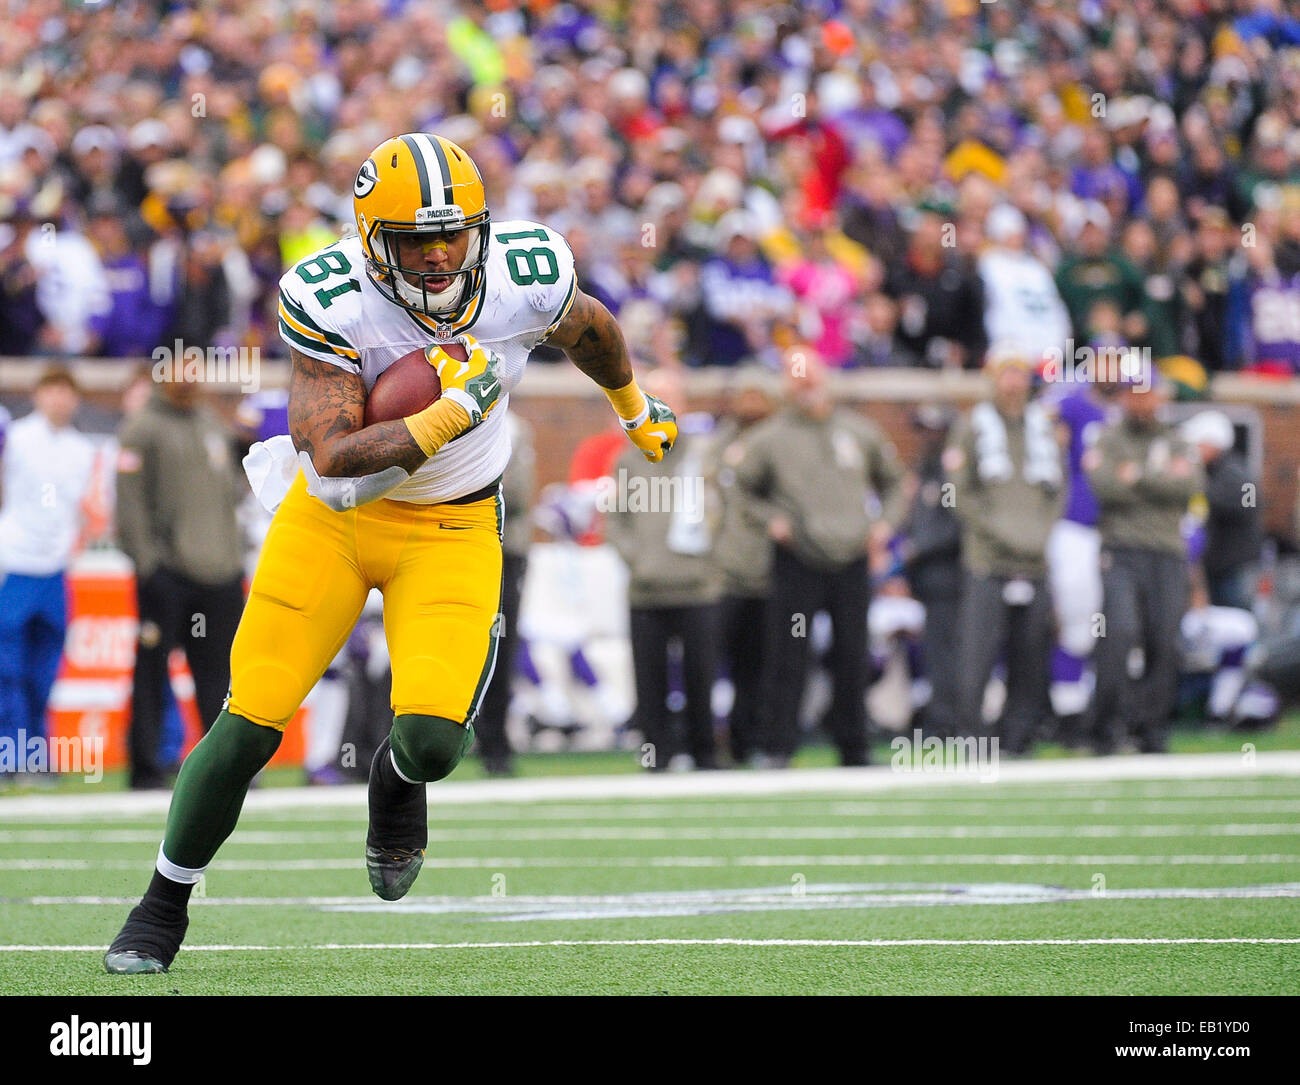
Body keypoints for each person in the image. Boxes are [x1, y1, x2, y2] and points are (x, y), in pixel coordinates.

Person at [105, 132, 679, 974]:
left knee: (435, 740)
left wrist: (633, 406)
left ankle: (395, 779)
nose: (443, 255)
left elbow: (590, 326)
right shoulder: (329, 295)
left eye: (455, 234)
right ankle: (162, 903)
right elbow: (333, 452)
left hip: (451, 524)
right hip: (333, 520)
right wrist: (444, 415)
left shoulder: (526, 269)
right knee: (248, 724)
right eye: (419, 239)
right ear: (374, 241)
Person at [735, 346, 904, 766]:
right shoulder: (769, 438)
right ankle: (779, 745)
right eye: (797, 377)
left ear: (825, 377)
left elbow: (898, 482)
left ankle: (854, 745)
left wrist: (883, 527)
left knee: (853, 653)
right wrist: (770, 519)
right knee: (789, 653)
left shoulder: (857, 431)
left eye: (810, 375)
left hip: (851, 556)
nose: (805, 384)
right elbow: (739, 488)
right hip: (799, 558)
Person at [115, 366, 246, 791]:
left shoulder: (211, 421)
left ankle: (222, 770)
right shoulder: (142, 429)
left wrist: (234, 554)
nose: (187, 376)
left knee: (223, 678)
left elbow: (230, 493)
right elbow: (128, 505)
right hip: (168, 574)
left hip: (220, 573)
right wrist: (148, 565)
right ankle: (147, 768)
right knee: (152, 673)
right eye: (177, 367)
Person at [945, 345, 1064, 754]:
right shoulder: (971, 426)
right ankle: (970, 735)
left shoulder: (1043, 425)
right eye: (1005, 373)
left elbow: (1060, 487)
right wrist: (996, 530)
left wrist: (1041, 531)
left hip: (1034, 557)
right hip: (988, 557)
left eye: (1019, 373)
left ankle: (1018, 736)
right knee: (978, 651)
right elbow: (957, 492)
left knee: (1030, 653)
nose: (1013, 382)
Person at [606, 367, 720, 771]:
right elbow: (615, 520)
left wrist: (712, 561)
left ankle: (706, 753)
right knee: (649, 679)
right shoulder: (627, 457)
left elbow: (726, 512)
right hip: (647, 587)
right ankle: (657, 755)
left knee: (701, 677)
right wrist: (638, 560)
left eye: (673, 397)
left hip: (699, 585)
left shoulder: (706, 454)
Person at [1086, 371, 1202, 754]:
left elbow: (1187, 488)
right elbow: (1105, 486)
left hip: (1168, 551)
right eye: (1133, 394)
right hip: (1120, 550)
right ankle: (1105, 727)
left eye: (1147, 393)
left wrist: (1138, 477)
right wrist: (1157, 479)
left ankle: (1151, 729)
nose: (1140, 401)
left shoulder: (1177, 440)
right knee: (1118, 633)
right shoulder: (1108, 437)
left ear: (1161, 396)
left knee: (1164, 639)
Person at [0, 366, 95, 773]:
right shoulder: (16, 439)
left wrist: (78, 544)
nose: (59, 399)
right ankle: (9, 755)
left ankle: (36, 756)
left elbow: (86, 508)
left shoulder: (82, 448)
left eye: (66, 391)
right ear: (38, 395)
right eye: (52, 390)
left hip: (54, 568)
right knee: (8, 669)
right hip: (15, 561)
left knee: (43, 672)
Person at [713, 368, 777, 763]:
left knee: (760, 665)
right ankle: (702, 741)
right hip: (720, 569)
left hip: (771, 568)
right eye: (744, 396)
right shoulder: (715, 445)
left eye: (758, 396)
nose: (750, 404)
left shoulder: (782, 445)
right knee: (709, 660)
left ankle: (750, 740)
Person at [475, 411, 536, 777]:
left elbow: (518, 494)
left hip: (501, 551)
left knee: (499, 645)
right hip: (453, 544)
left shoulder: (514, 426)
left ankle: (495, 742)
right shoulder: (445, 411)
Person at [1181, 409, 1259, 612]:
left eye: (1199, 444)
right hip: (1220, 567)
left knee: (1237, 618)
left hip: (1233, 568)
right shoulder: (1216, 471)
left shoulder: (1234, 472)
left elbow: (1246, 505)